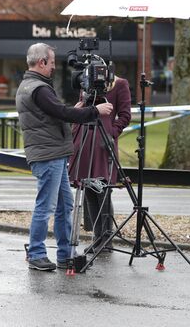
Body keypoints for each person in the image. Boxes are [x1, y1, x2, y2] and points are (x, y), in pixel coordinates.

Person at [16, 43, 113, 272]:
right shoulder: (38, 88)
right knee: (46, 206)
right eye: (51, 62)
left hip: (53, 153)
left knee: (64, 205)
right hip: (48, 154)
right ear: (41, 62)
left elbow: (53, 115)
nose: (53, 67)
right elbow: (61, 113)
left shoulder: (31, 86)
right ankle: (37, 253)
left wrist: (77, 109)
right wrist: (93, 112)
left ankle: (65, 254)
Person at [68, 76, 132, 253]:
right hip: (83, 140)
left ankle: (106, 238)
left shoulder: (120, 84)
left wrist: (112, 132)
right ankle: (97, 237)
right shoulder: (85, 82)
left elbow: (125, 115)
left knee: (103, 190)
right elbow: (82, 107)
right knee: (88, 188)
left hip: (104, 144)